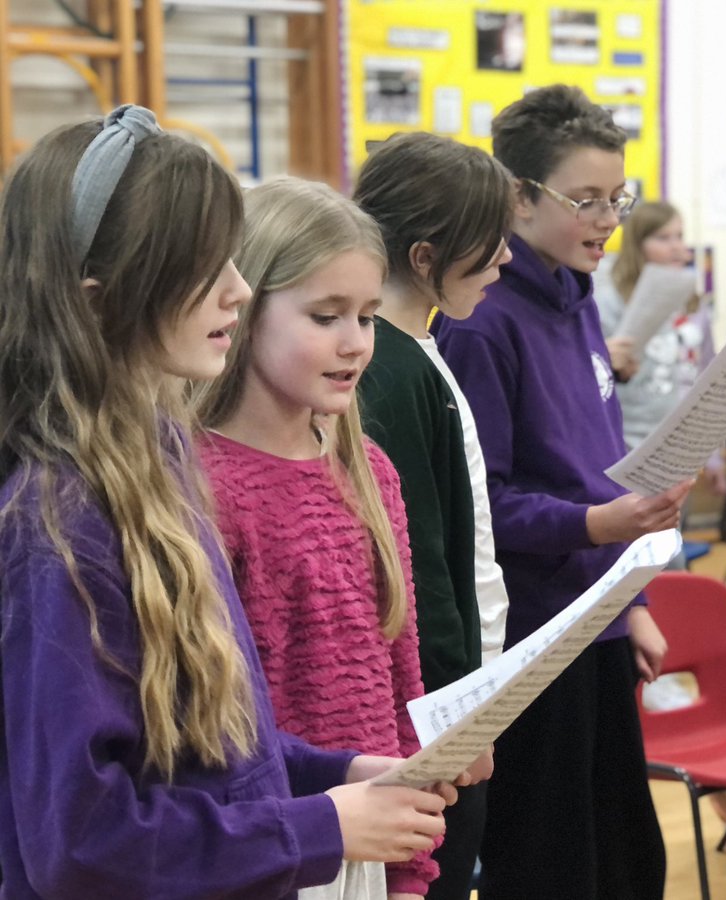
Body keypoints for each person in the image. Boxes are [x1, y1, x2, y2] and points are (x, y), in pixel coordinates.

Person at [0, 106, 452, 898]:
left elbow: (201, 749)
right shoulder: (60, 520)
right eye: (204, 268)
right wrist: (319, 827)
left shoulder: (158, 456)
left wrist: (335, 772)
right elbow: (80, 844)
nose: (238, 290)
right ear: (103, 300)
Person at [193, 177, 481, 900]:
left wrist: (411, 871)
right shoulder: (197, 487)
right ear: (243, 310)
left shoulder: (369, 470)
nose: (355, 343)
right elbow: (210, 725)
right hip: (262, 849)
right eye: (326, 316)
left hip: (367, 845)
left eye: (368, 316)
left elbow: (400, 673)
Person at [434, 84, 690, 900]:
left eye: (618, 198)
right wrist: (597, 524)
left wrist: (632, 603)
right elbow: (482, 507)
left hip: (597, 615)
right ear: (519, 196)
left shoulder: (577, 296)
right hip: (533, 635)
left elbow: (599, 461)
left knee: (628, 859)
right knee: (550, 864)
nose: (609, 219)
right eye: (586, 200)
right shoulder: (482, 320)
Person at [353, 132, 513, 900]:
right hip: (439, 714)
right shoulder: (389, 370)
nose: (504, 258)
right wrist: (460, 716)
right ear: (424, 258)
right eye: (489, 243)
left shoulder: (417, 349)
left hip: (458, 700)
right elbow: (421, 568)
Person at [593, 200, 726, 507]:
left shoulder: (694, 304)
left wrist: (714, 456)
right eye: (663, 238)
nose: (677, 247)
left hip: (681, 453)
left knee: (675, 533)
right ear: (638, 246)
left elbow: (707, 377)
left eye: (680, 236)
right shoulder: (609, 303)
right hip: (627, 449)